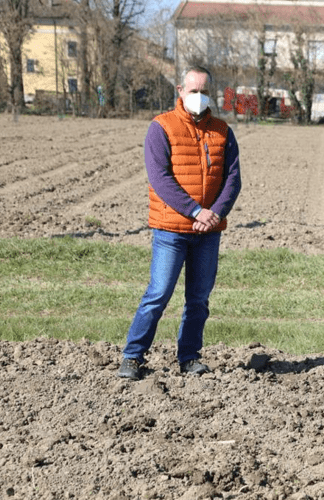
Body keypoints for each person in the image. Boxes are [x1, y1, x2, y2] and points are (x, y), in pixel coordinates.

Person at [118, 65, 242, 380]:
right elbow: (160, 178)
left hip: (208, 232)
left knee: (198, 299)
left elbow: (233, 179)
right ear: (180, 91)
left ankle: (189, 357)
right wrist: (195, 211)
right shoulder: (161, 127)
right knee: (159, 293)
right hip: (171, 230)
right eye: (193, 91)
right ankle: (133, 356)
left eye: (203, 91)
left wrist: (214, 213)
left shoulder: (223, 131)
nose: (198, 97)